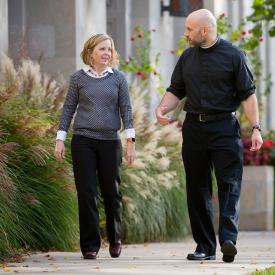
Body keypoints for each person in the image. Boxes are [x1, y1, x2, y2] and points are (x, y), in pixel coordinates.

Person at [156, 9, 263, 263]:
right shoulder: (187, 57)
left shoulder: (234, 55)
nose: (186, 34)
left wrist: (256, 127)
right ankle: (204, 246)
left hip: (225, 127)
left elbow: (248, 94)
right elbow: (176, 90)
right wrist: (162, 108)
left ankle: (228, 239)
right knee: (197, 188)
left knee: (229, 184)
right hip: (194, 128)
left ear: (205, 30)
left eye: (189, 30)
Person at [54, 33, 136, 260]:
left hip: (110, 141)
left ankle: (115, 237)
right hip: (83, 142)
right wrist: (60, 138)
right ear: (90, 52)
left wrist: (131, 142)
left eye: (109, 49)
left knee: (112, 192)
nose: (107, 53)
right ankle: (90, 245)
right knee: (87, 193)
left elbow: (126, 110)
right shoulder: (78, 79)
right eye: (102, 49)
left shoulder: (118, 78)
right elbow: (68, 109)